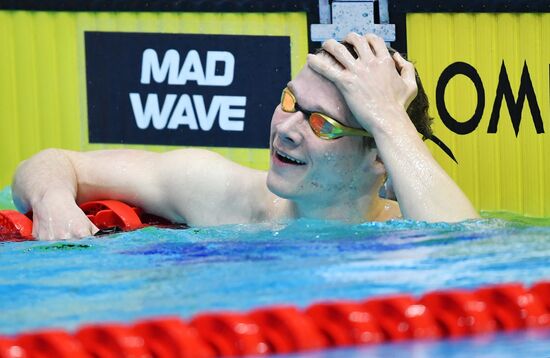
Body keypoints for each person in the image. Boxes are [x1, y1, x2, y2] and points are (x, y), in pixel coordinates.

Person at [12, 33, 479, 240]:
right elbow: (55, 163)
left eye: (322, 123)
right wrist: (53, 200)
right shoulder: (224, 196)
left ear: (379, 155)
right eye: (291, 101)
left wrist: (388, 118)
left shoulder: (403, 237)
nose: (286, 130)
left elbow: (466, 260)